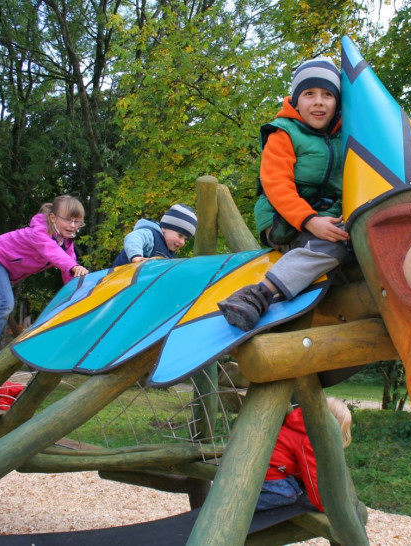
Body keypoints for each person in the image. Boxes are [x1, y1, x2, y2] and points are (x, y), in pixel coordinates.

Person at [218, 57, 350, 331]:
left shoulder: (345, 137)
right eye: (309, 94)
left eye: (327, 95)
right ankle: (258, 294)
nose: (318, 102)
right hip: (284, 219)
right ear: (295, 100)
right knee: (337, 245)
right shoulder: (283, 133)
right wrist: (310, 221)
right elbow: (277, 185)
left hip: (326, 216)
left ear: (337, 102)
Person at [0, 195, 89, 375]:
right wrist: (73, 266)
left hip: (4, 268)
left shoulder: (65, 243)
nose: (73, 226)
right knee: (5, 303)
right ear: (53, 218)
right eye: (68, 220)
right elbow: (53, 254)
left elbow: (69, 271)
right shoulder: (40, 233)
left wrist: (78, 294)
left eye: (77, 222)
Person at [256, 397, 353, 512]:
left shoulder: (299, 423)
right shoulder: (310, 439)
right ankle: (242, 507)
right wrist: (324, 505)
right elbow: (312, 476)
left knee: (296, 488)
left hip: (264, 467)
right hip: (269, 472)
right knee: (288, 495)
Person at [111, 203, 198, 267]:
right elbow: (133, 238)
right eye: (180, 235)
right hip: (119, 280)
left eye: (185, 239)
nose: (182, 242)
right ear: (165, 228)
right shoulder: (151, 235)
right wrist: (136, 256)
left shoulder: (169, 252)